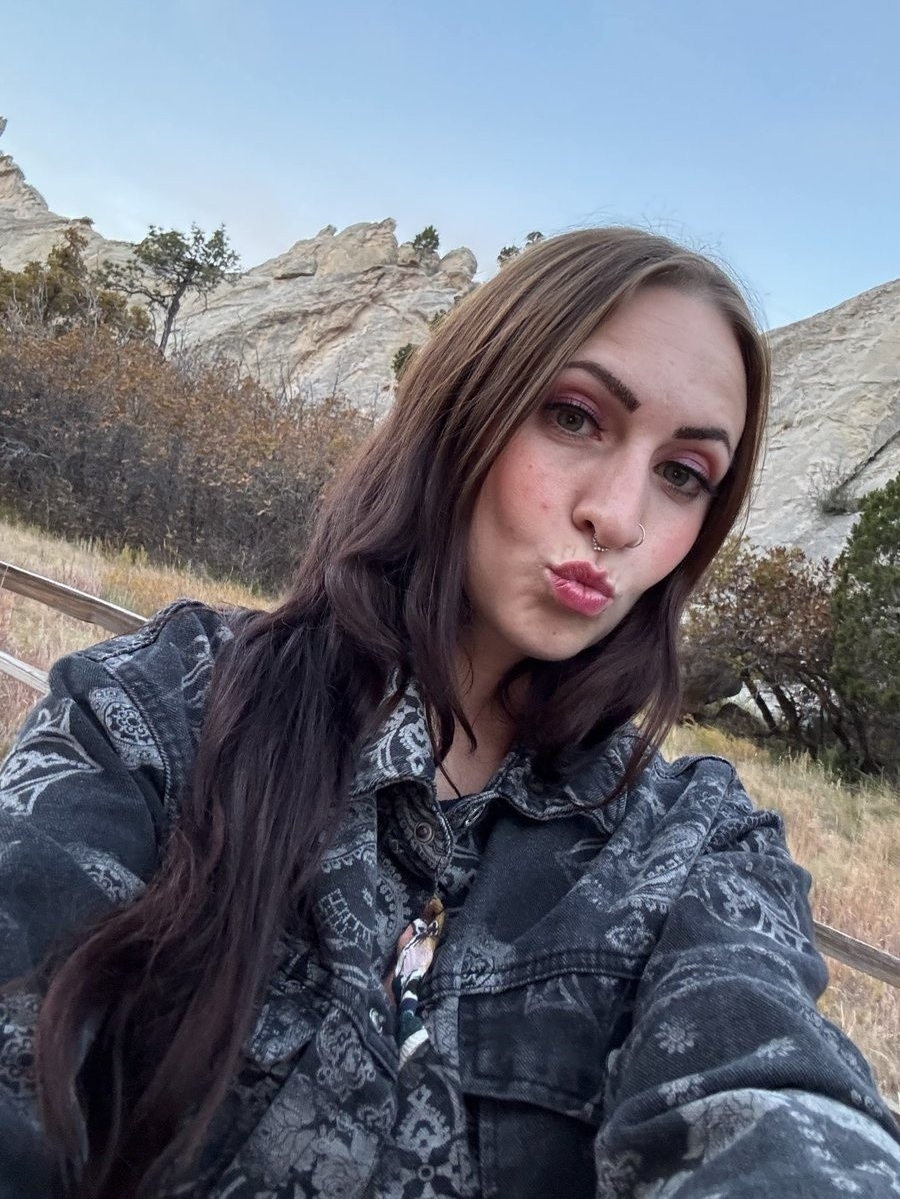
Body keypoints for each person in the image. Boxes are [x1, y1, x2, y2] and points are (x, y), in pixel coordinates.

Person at [0, 228, 897, 1199]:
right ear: (462, 409)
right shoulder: (163, 705)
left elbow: (773, 1095)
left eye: (684, 474)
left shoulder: (691, 848)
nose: (619, 516)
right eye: (574, 416)